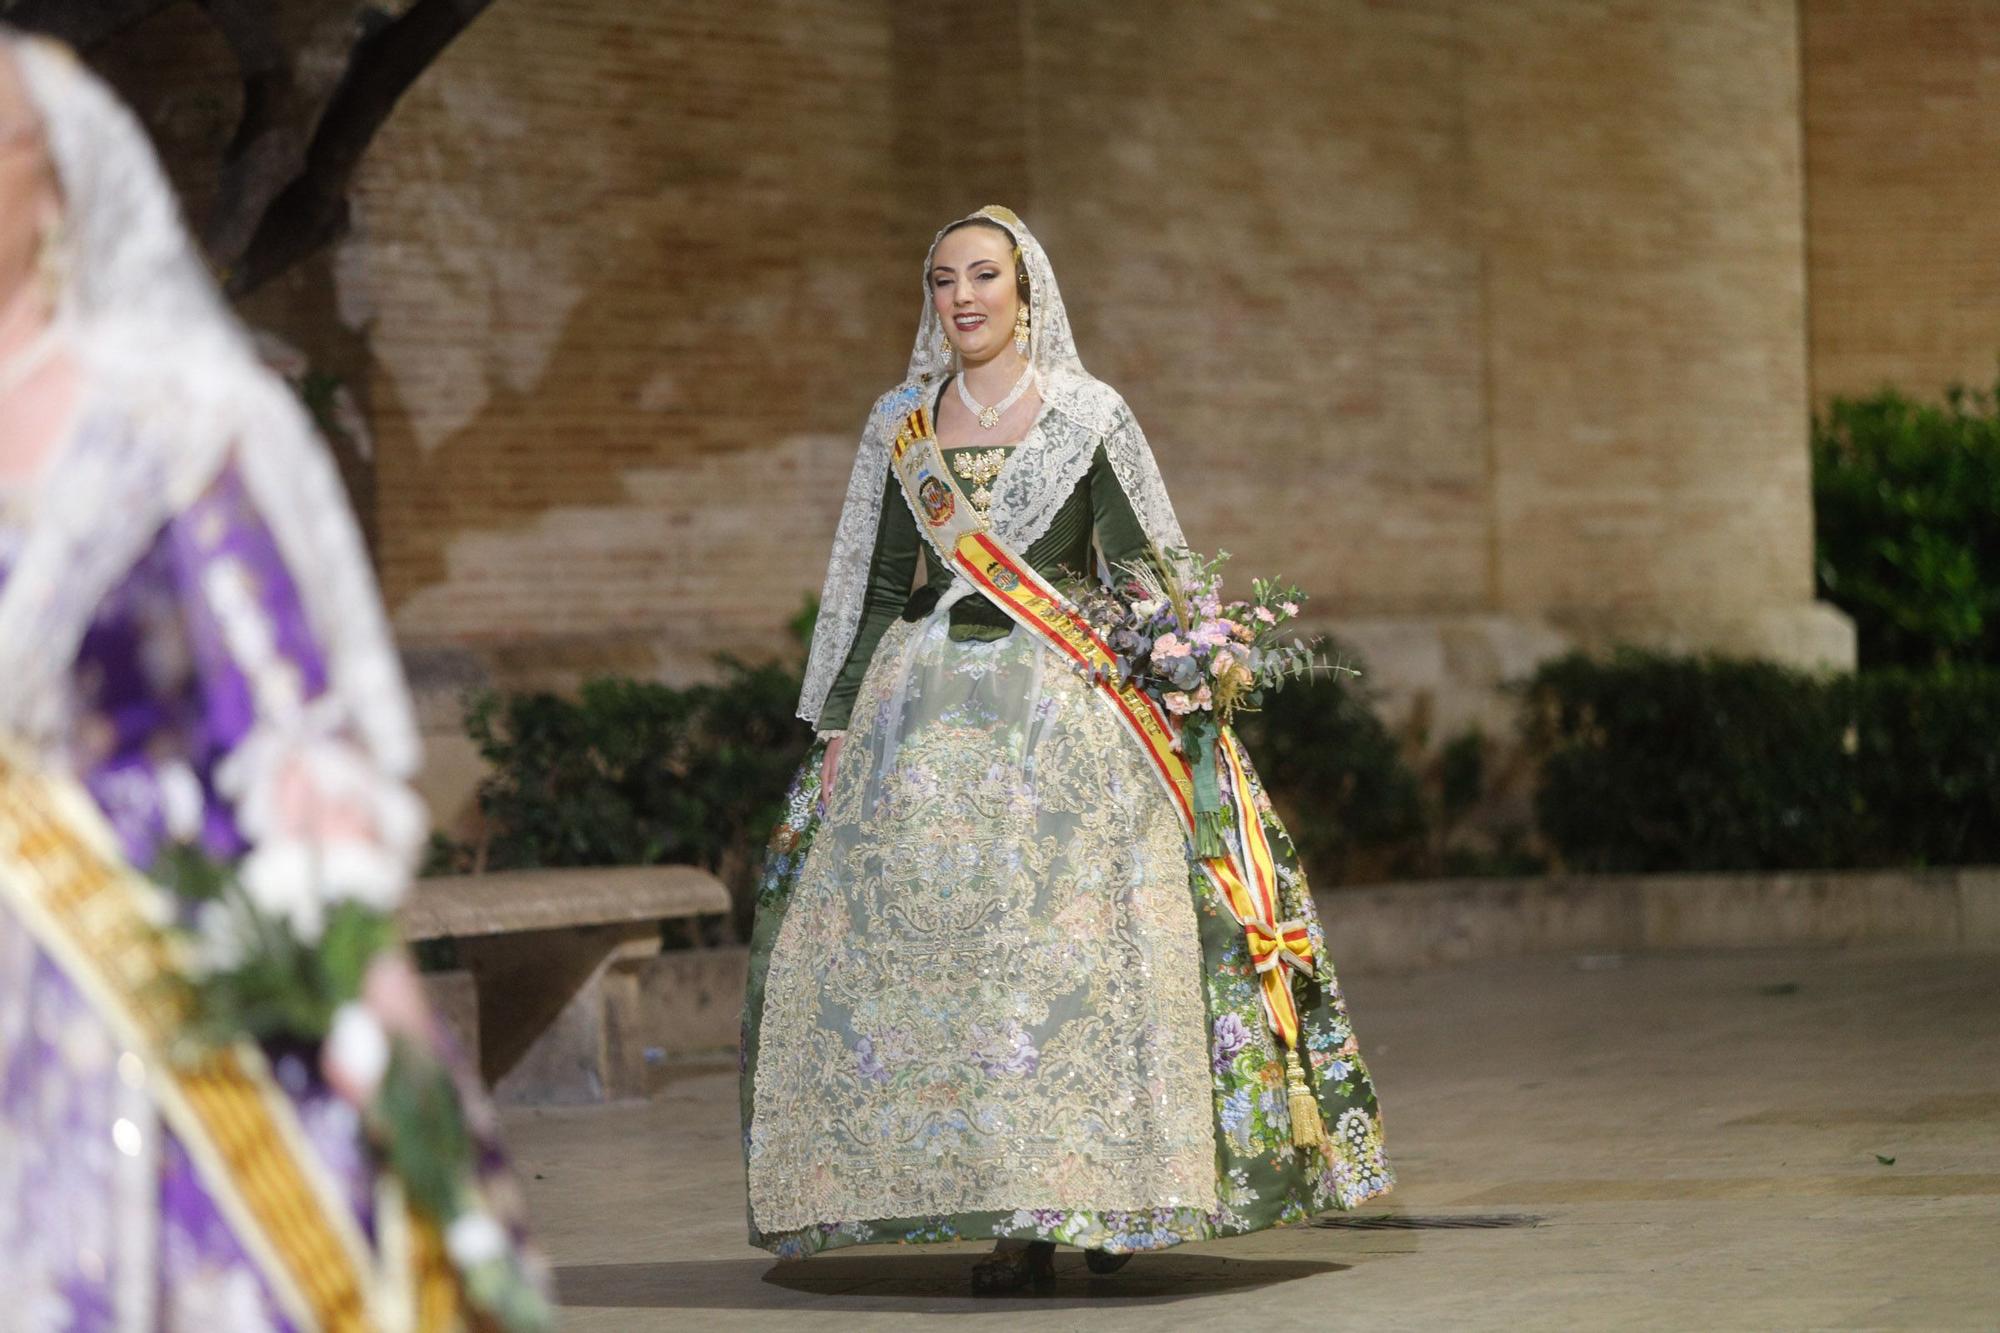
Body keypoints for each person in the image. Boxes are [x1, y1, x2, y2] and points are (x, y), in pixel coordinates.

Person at [0, 33, 547, 1329]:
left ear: (55, 186)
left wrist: (390, 1048)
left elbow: (287, 742)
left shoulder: (173, 421)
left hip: (115, 987)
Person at [741, 205, 1392, 1293]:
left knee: (1078, 959)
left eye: (983, 275)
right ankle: (1015, 1217)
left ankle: (1112, 1197)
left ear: (1026, 291)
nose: (961, 296)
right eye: (942, 278)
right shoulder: (901, 423)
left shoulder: (1088, 414)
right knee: (971, 973)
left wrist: (1186, 669)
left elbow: (1141, 567)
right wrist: (842, 721)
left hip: (1070, 716)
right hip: (927, 717)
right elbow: (872, 587)